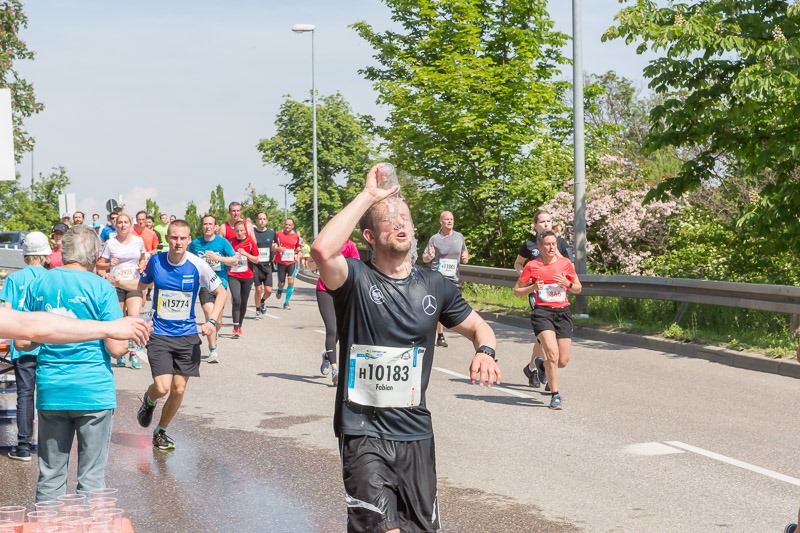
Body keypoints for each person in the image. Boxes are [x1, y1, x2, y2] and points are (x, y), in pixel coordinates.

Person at [310, 164, 501, 533]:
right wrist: (369, 195)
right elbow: (322, 249)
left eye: (405, 218)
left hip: (414, 432)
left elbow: (480, 327)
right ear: (369, 235)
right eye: (388, 218)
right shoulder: (355, 278)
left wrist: (485, 351)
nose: (399, 222)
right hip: (362, 430)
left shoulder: (435, 285)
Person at [21, 225, 131, 501]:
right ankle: (89, 521)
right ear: (94, 255)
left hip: (52, 389)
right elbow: (117, 348)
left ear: (63, 251)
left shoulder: (40, 283)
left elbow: (23, 342)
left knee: (50, 476)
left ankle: (47, 522)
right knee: (91, 478)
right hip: (93, 391)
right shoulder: (102, 287)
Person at [111, 220, 227, 450]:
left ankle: (161, 431)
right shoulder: (156, 261)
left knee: (179, 389)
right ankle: (149, 400)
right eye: (174, 237)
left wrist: (212, 320)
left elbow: (221, 292)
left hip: (187, 336)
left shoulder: (198, 264)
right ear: (168, 239)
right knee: (162, 387)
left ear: (189, 239)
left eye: (183, 238)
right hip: (160, 334)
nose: (178, 242)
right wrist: (117, 282)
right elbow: (141, 285)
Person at [513, 230, 582, 410]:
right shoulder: (532, 265)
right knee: (552, 353)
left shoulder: (565, 264)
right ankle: (555, 395)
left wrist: (567, 284)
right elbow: (517, 291)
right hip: (542, 313)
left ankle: (542, 366)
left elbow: (578, 288)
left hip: (563, 313)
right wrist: (533, 287)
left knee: (562, 361)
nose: (551, 247)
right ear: (540, 246)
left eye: (553, 244)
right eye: (547, 244)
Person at [0, 232, 50, 461]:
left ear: (25, 254)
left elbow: (7, 313)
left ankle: (23, 447)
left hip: (22, 343)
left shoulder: (14, 278)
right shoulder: (51, 278)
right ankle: (49, 445)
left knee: (25, 394)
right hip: (49, 342)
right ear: (45, 254)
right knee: (48, 394)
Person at [96, 213, 147, 370]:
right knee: (119, 320)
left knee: (133, 317)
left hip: (133, 284)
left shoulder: (138, 241)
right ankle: (121, 353)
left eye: (126, 222)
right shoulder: (110, 243)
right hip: (116, 285)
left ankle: (133, 352)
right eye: (120, 223)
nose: (123, 225)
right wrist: (108, 267)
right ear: (115, 225)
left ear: (130, 224)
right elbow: (99, 265)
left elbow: (142, 258)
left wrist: (142, 265)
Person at [188, 214, 236, 363]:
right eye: (205, 224)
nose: (207, 226)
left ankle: (214, 332)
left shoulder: (223, 242)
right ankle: (213, 350)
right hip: (204, 285)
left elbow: (234, 260)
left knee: (218, 321)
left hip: (220, 285)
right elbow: (187, 260)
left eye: (210, 224)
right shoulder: (195, 244)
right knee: (209, 313)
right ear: (202, 226)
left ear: (215, 227)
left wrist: (218, 258)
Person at [315, 224, 359, 386]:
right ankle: (335, 369)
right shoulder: (323, 244)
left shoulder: (350, 246)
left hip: (343, 292)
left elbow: (356, 268)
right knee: (332, 329)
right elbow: (312, 263)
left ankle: (327, 355)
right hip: (324, 289)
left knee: (340, 329)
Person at [421, 210, 469, 348]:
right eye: (447, 219)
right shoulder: (434, 239)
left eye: (451, 219)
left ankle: (456, 329)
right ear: (440, 221)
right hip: (438, 278)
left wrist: (465, 257)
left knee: (454, 307)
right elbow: (425, 258)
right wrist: (429, 256)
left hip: (454, 278)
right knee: (439, 307)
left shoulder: (459, 237)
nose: (449, 221)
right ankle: (440, 336)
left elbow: (464, 253)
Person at [228, 220, 258, 338]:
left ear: (245, 230)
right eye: (237, 231)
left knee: (243, 302)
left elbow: (256, 259)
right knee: (236, 299)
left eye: (241, 230)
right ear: (234, 231)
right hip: (233, 275)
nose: (240, 233)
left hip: (247, 276)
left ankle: (240, 324)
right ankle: (235, 327)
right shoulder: (231, 242)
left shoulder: (250, 242)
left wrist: (246, 254)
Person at [252, 211, 276, 318]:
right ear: (256, 220)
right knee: (258, 289)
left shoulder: (271, 233)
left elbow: (276, 245)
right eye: (260, 219)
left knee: (269, 290)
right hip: (256, 265)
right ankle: (257, 309)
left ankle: (262, 301)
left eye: (264, 219)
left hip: (267, 265)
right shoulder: (252, 233)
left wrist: (275, 248)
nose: (262, 221)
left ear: (267, 220)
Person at [273, 218, 301, 310]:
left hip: (291, 262)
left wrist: (298, 251)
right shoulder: (278, 234)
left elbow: (298, 247)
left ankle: (286, 302)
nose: (287, 226)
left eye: (289, 225)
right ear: (284, 225)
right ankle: (280, 289)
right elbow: (273, 246)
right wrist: (278, 249)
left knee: (291, 281)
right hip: (281, 262)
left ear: (292, 226)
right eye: (286, 224)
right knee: (281, 283)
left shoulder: (296, 236)